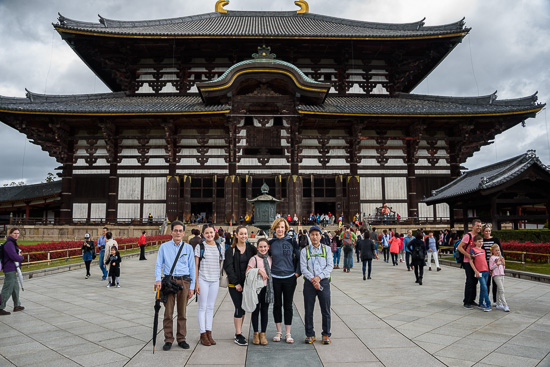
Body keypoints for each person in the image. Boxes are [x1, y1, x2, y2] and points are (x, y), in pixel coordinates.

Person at [155, 221, 196, 351]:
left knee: (182, 312)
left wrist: (192, 286)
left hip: (184, 281)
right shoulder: (164, 247)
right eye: (175, 230)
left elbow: (192, 268)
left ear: (184, 233)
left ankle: (181, 338)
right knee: (168, 312)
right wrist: (157, 280)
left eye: (180, 231)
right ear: (171, 232)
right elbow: (158, 264)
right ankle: (168, 339)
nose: (178, 233)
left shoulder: (188, 248)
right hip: (169, 282)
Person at [223, 225, 257, 346]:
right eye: (241, 234)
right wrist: (236, 283)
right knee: (239, 307)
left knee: (243, 309)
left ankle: (239, 331)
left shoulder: (251, 249)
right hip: (235, 285)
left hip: (247, 284)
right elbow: (228, 267)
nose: (244, 236)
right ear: (236, 235)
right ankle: (238, 334)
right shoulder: (230, 250)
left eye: (245, 234)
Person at [300, 226, 334, 344]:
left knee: (325, 309)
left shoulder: (327, 249)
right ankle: (310, 334)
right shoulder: (305, 251)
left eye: (317, 234)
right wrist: (313, 279)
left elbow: (330, 266)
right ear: (309, 236)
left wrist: (319, 278)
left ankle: (326, 334)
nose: (314, 237)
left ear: (321, 236)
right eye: (312, 234)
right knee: (308, 310)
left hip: (323, 281)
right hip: (309, 283)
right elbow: (303, 268)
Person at [269, 217, 300, 344]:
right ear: (274, 228)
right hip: (275, 277)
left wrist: (297, 273)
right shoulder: (271, 243)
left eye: (282, 227)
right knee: (277, 304)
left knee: (288, 305)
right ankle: (278, 332)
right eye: (278, 227)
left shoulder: (292, 241)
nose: (280, 229)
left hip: (289, 277)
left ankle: (288, 333)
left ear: (286, 229)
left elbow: (299, 258)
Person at [195, 224, 225, 346]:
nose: (209, 235)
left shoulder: (219, 247)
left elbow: (220, 263)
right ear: (203, 234)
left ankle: (209, 333)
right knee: (202, 307)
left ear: (215, 233)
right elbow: (195, 265)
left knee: (211, 307)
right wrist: (196, 282)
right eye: (206, 233)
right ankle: (202, 334)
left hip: (214, 280)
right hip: (203, 279)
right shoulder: (200, 246)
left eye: (211, 232)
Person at [246, 238, 273, 345]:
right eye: (261, 247)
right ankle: (256, 333)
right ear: (257, 248)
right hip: (256, 288)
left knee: (265, 311)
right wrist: (259, 271)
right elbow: (247, 272)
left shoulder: (270, 258)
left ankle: (263, 333)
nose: (263, 249)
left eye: (265, 247)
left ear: (268, 247)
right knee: (255, 310)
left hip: (266, 288)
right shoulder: (254, 259)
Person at [458, 219, 482, 309]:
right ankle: (466, 301)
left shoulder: (478, 236)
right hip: (467, 262)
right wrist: (468, 255)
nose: (479, 227)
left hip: (476, 262)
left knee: (475, 281)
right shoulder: (468, 236)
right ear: (473, 226)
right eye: (477, 225)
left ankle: (472, 300)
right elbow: (459, 247)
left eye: (480, 226)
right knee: (469, 281)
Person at [0, 228, 25, 315]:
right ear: (10, 234)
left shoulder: (12, 243)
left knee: (15, 288)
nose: (16, 235)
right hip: (9, 269)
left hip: (13, 269)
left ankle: (17, 305)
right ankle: (0, 307)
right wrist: (21, 257)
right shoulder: (9, 244)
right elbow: (14, 256)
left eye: (18, 233)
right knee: (7, 289)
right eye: (14, 233)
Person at [468, 235, 491, 311]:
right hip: (479, 272)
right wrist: (476, 271)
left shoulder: (483, 250)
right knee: (484, 287)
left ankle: (481, 303)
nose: (481, 243)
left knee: (483, 288)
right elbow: (471, 261)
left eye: (482, 241)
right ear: (475, 242)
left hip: (486, 271)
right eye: (479, 241)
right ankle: (488, 304)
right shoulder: (473, 250)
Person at [481, 224, 503, 304]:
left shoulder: (495, 239)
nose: (488, 232)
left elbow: (500, 251)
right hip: (486, 264)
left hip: (496, 265)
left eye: (489, 231)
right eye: (486, 231)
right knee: (487, 283)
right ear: (483, 232)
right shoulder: (482, 241)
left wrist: (501, 262)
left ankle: (495, 300)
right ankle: (486, 299)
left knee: (496, 283)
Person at [489, 244, 509, 312]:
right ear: (493, 251)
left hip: (501, 274)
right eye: (496, 250)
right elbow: (491, 267)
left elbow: (503, 267)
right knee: (501, 290)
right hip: (496, 275)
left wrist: (503, 263)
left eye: (498, 250)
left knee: (499, 289)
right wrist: (496, 264)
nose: (497, 252)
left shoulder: (500, 257)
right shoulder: (492, 258)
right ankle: (505, 304)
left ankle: (498, 303)